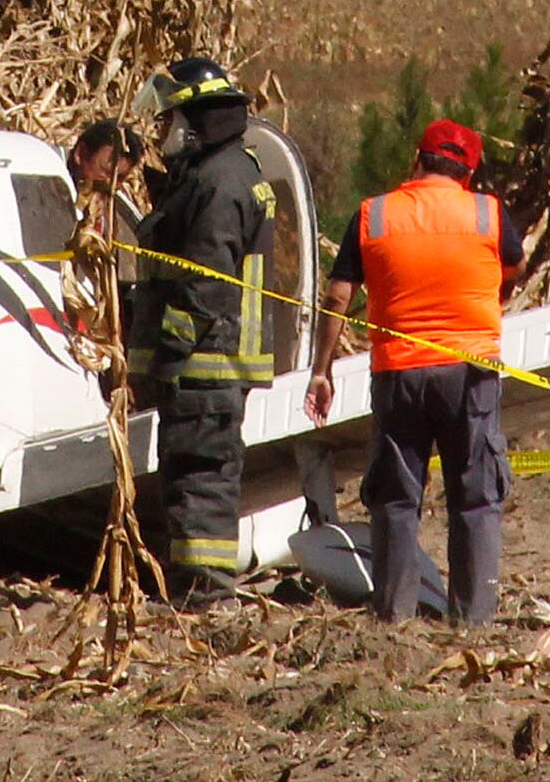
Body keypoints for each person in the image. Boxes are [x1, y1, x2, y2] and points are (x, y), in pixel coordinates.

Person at [305, 118, 522, 626]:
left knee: (397, 500)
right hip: (469, 374)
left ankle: (395, 616)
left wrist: (322, 371)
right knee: (475, 496)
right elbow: (511, 269)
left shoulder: (374, 214)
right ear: (468, 172)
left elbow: (339, 295)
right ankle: (473, 621)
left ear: (417, 160)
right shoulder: (487, 214)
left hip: (398, 373)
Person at [126, 57, 278, 601]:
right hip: (208, 362)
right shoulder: (224, 170)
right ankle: (194, 592)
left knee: (201, 480)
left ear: (193, 121)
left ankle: (208, 598)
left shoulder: (219, 181)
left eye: (168, 122)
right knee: (190, 477)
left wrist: (165, 347)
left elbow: (204, 281)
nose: (162, 133)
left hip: (206, 363)